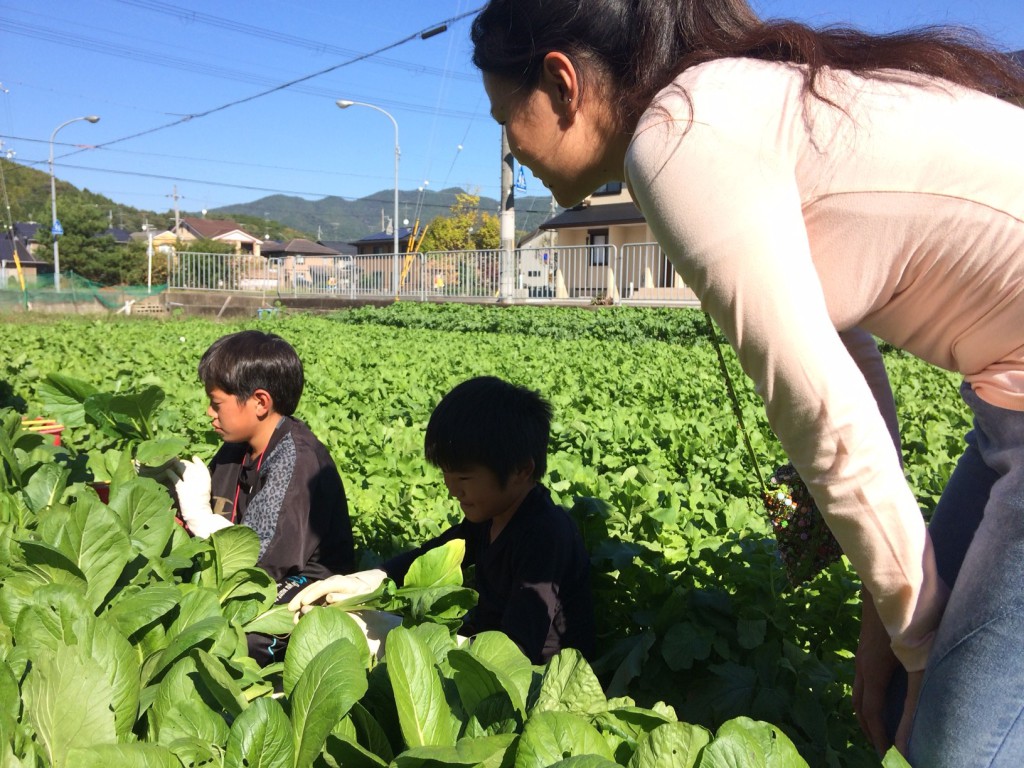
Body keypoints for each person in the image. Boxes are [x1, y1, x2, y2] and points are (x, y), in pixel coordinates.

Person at [468, 2, 1024, 765]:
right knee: (917, 695)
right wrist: (888, 614)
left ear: (562, 83)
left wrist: (920, 645)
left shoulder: (680, 140)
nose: (510, 146)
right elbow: (848, 367)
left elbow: (825, 417)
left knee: (957, 747)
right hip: (1008, 408)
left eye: (508, 115)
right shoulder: (732, 102)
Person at [289, 375, 595, 665]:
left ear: (521, 470)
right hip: (482, 656)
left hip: (534, 685)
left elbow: (516, 653)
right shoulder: (490, 518)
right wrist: (361, 582)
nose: (451, 488)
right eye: (446, 474)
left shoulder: (544, 535)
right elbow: (430, 556)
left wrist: (391, 636)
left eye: (463, 476)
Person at [173, 330, 354, 665]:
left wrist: (197, 516)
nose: (209, 414)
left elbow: (266, 559)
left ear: (259, 402)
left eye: (216, 404)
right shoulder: (234, 449)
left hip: (306, 576)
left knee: (249, 632)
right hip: (253, 572)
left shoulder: (296, 459)